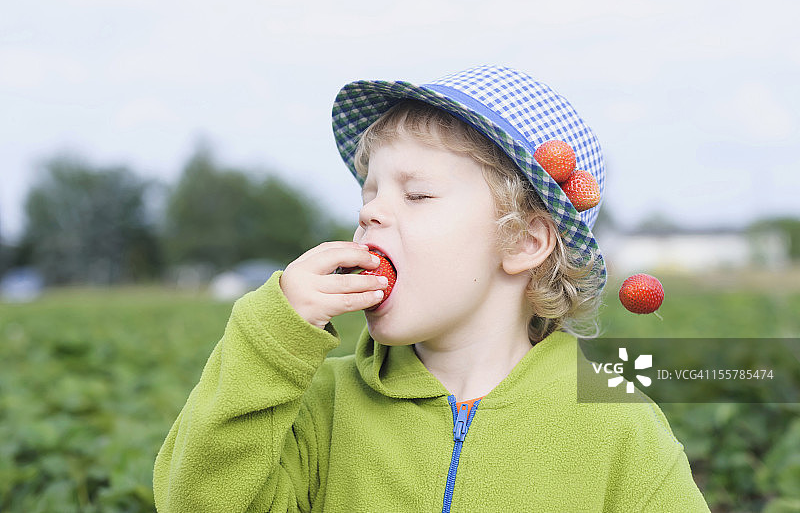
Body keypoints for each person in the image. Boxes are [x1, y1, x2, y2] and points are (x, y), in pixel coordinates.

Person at [153, 66, 710, 512]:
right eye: (368, 196)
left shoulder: (618, 427)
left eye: (417, 195)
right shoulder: (320, 406)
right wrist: (271, 338)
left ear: (522, 242)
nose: (371, 212)